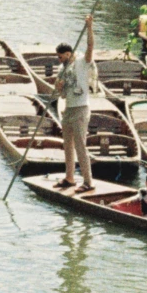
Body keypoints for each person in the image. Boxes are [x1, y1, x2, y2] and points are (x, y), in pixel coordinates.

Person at [53, 14, 98, 192]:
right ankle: (70, 178)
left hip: (81, 109)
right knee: (67, 146)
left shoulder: (81, 63)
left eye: (60, 57)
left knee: (80, 146)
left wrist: (89, 27)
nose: (59, 60)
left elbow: (90, 46)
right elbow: (61, 93)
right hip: (68, 109)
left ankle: (88, 182)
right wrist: (59, 86)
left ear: (68, 54)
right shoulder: (62, 69)